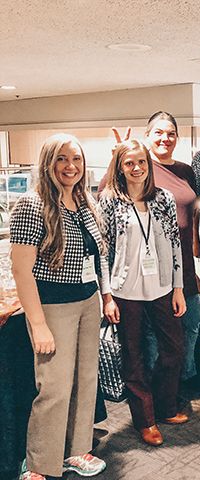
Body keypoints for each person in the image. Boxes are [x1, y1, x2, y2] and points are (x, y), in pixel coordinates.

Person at [10, 134, 111, 479]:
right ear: (48, 163)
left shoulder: (85, 203)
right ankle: (39, 464)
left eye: (76, 160)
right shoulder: (31, 203)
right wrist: (38, 324)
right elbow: (22, 270)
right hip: (52, 306)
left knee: (85, 379)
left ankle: (77, 450)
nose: (70, 167)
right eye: (62, 159)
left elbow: (97, 258)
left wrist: (105, 297)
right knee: (53, 387)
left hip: (87, 301)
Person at [99, 139, 188, 447]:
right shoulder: (110, 200)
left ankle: (165, 406)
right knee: (133, 355)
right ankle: (145, 419)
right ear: (119, 167)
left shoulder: (163, 197)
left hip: (162, 285)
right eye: (129, 163)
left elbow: (175, 245)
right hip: (125, 289)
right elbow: (102, 251)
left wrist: (178, 287)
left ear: (149, 165)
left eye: (141, 162)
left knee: (174, 347)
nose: (136, 168)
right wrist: (107, 295)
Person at [110, 112, 200, 391]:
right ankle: (155, 390)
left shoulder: (186, 170)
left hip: (183, 264)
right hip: (150, 269)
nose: (166, 138)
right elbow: (109, 193)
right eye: (159, 133)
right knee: (155, 335)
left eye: (171, 133)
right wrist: (117, 157)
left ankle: (184, 378)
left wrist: (196, 247)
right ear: (148, 136)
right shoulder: (139, 166)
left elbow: (192, 209)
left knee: (191, 323)